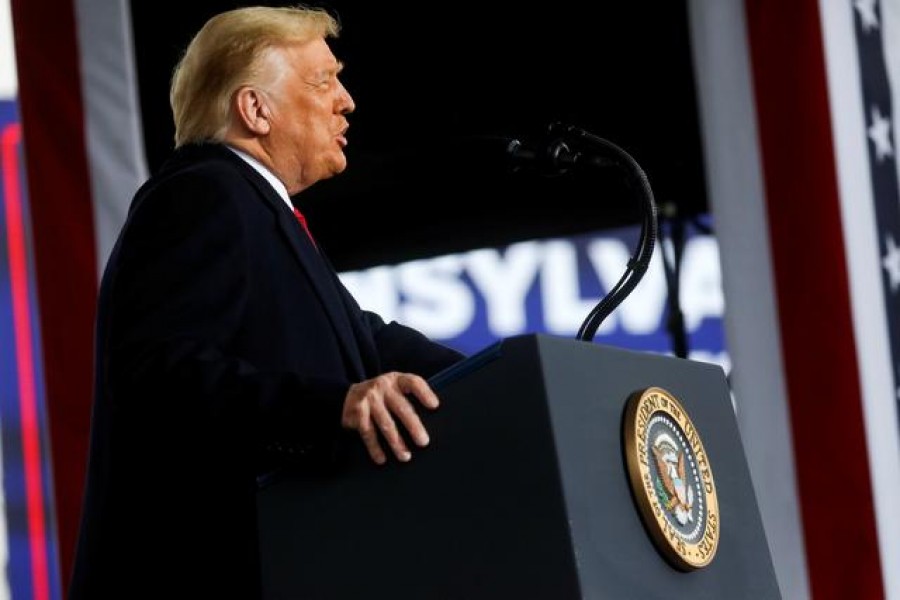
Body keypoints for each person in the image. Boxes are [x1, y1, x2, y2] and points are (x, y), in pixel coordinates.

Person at [68, 5, 465, 598]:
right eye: (323, 80)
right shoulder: (202, 193)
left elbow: (366, 338)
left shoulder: (260, 210)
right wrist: (332, 408)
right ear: (255, 109)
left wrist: (520, 369)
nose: (346, 100)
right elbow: (158, 374)